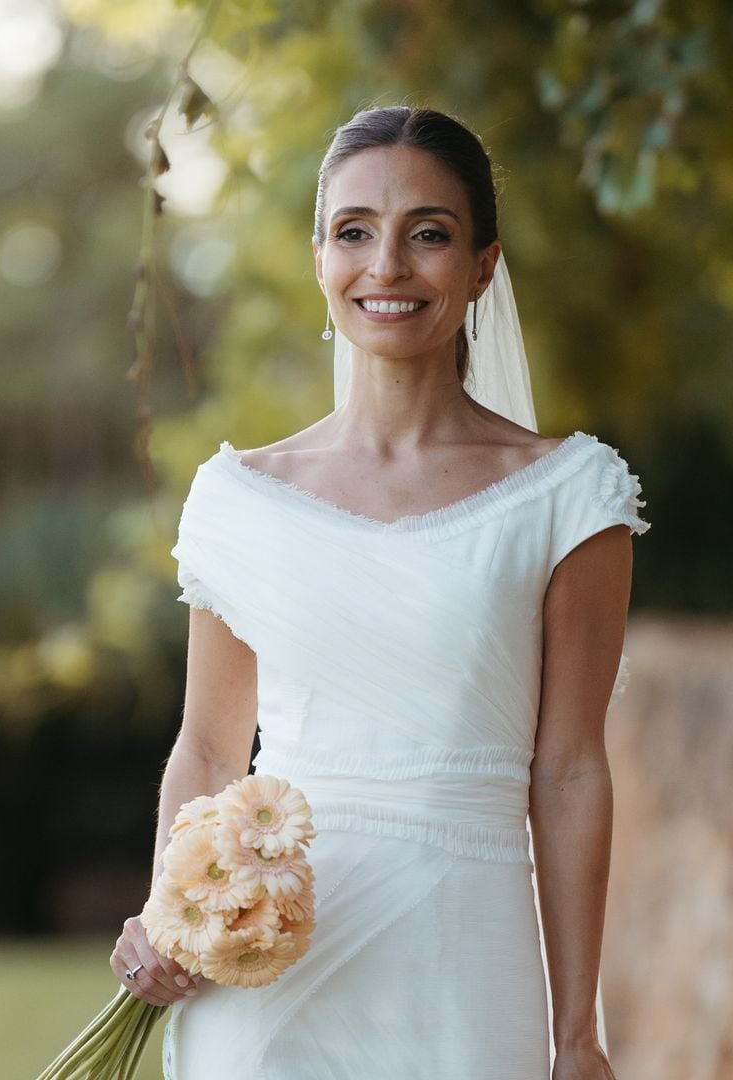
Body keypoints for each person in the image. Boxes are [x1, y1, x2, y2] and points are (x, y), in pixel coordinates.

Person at [111, 104, 648, 1079]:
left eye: (428, 234)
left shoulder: (570, 496)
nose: (387, 266)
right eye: (355, 231)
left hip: (465, 961)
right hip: (270, 980)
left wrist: (577, 1036)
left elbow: (569, 771)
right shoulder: (241, 499)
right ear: (320, 257)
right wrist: (170, 914)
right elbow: (208, 748)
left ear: (484, 265)